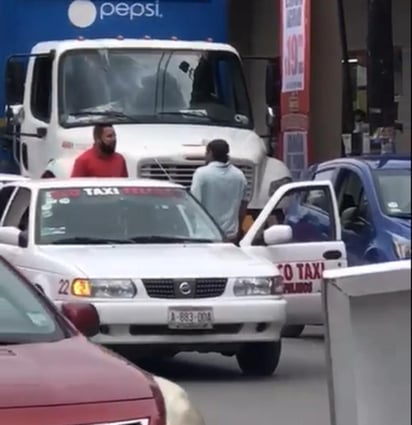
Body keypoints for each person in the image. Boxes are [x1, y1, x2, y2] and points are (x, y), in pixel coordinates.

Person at [190, 139, 248, 243]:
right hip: (230, 235)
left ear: (210, 153)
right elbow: (243, 205)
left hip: (205, 234)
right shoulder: (239, 175)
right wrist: (238, 228)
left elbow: (194, 204)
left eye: (206, 153)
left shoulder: (201, 174)